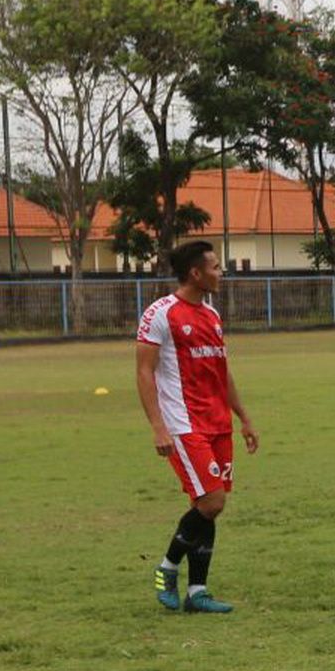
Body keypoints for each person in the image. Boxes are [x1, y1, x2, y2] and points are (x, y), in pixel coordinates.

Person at [135, 241, 257, 614]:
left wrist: (243, 417)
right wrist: (158, 427)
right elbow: (144, 371)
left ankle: (197, 592)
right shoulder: (161, 314)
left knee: (208, 505)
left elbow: (222, 370)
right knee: (212, 500)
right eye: (216, 267)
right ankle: (167, 569)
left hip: (218, 422)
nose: (222, 273)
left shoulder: (211, 314)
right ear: (196, 273)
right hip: (185, 425)